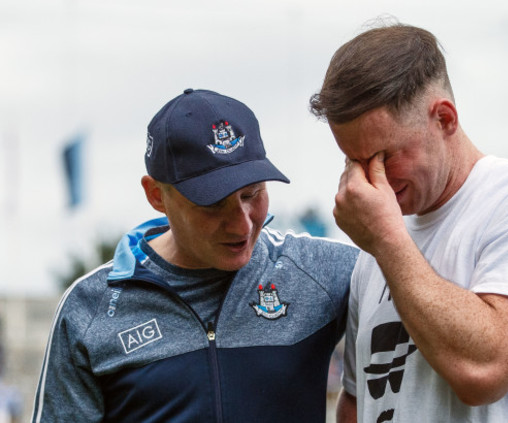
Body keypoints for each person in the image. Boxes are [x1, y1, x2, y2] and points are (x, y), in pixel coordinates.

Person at [309, 22, 508, 422]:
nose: (366, 183)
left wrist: (387, 240)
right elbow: (359, 405)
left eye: (382, 157)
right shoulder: (376, 246)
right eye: (352, 161)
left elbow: (484, 371)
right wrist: (384, 240)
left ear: (444, 119)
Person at [32, 88, 359, 422]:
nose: (241, 225)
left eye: (252, 193)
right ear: (156, 194)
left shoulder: (325, 271)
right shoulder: (88, 308)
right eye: (214, 203)